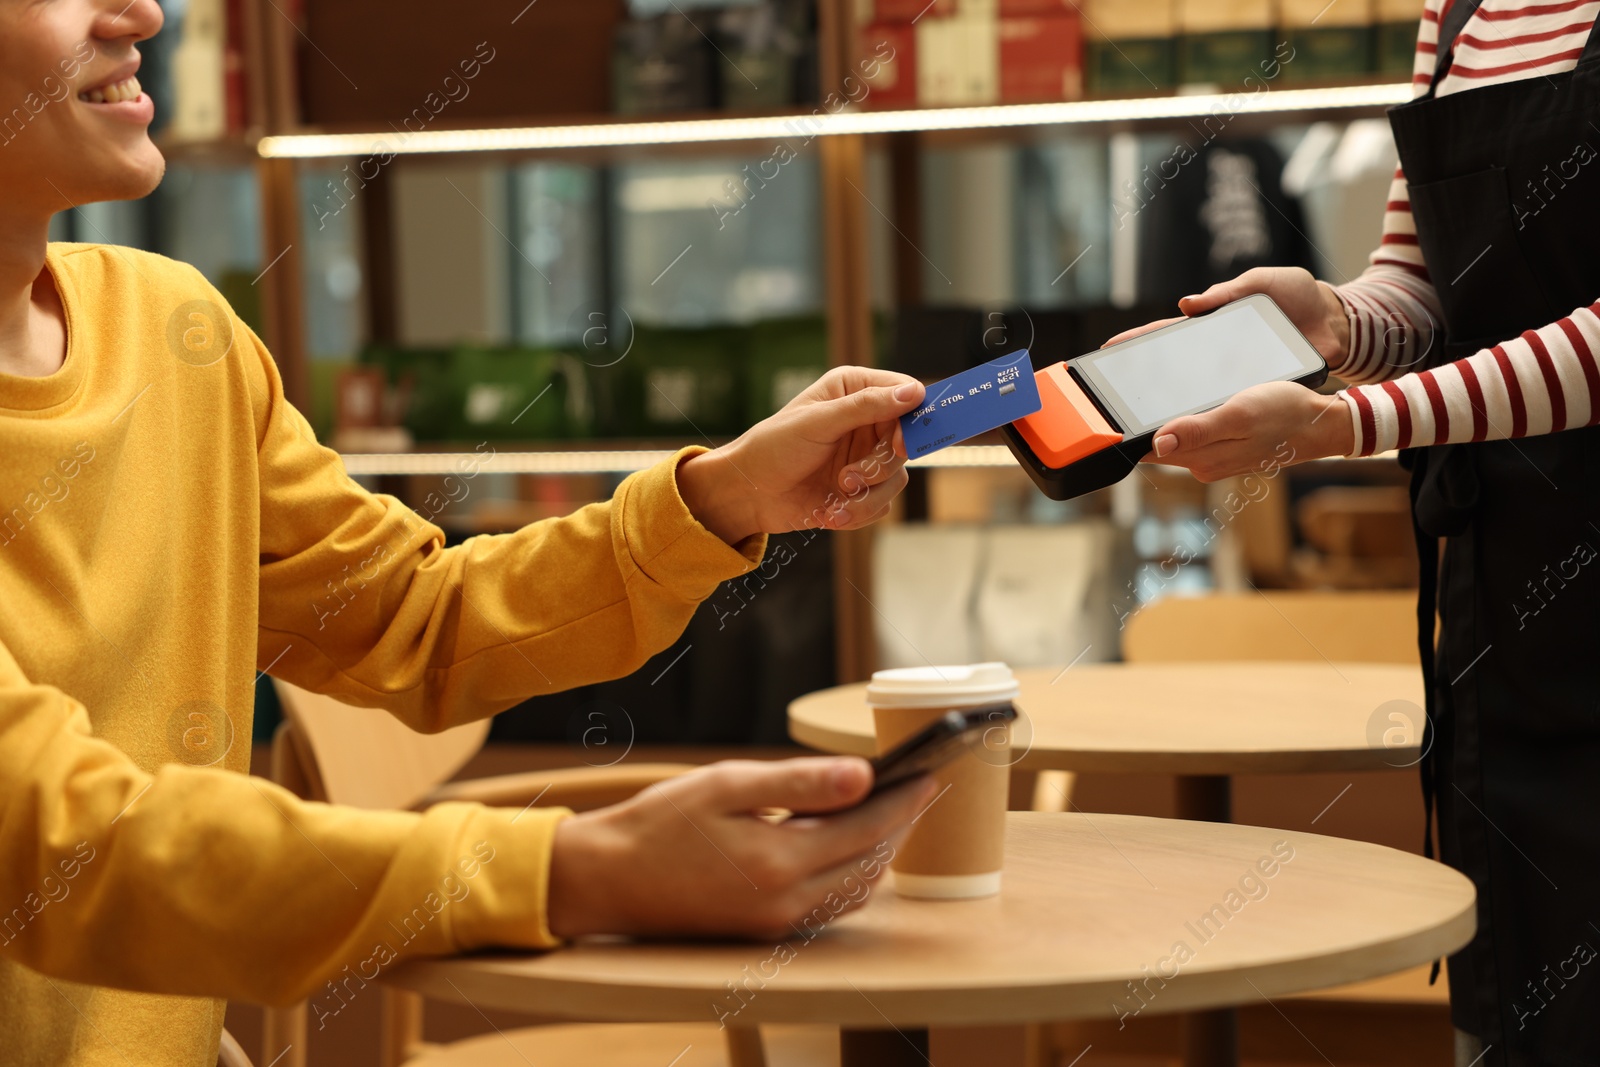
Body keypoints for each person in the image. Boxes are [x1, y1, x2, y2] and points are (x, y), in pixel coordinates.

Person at [0, 1, 940, 1062]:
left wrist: (720, 500)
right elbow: (59, 846)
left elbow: (413, 617)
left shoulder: (174, 328)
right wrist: (575, 870)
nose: (143, 13)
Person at [1112, 2, 1600, 1064]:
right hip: (1503, 594)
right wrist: (1328, 323)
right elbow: (1422, 286)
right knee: (1517, 980)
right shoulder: (1458, 11)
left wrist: (1349, 420)